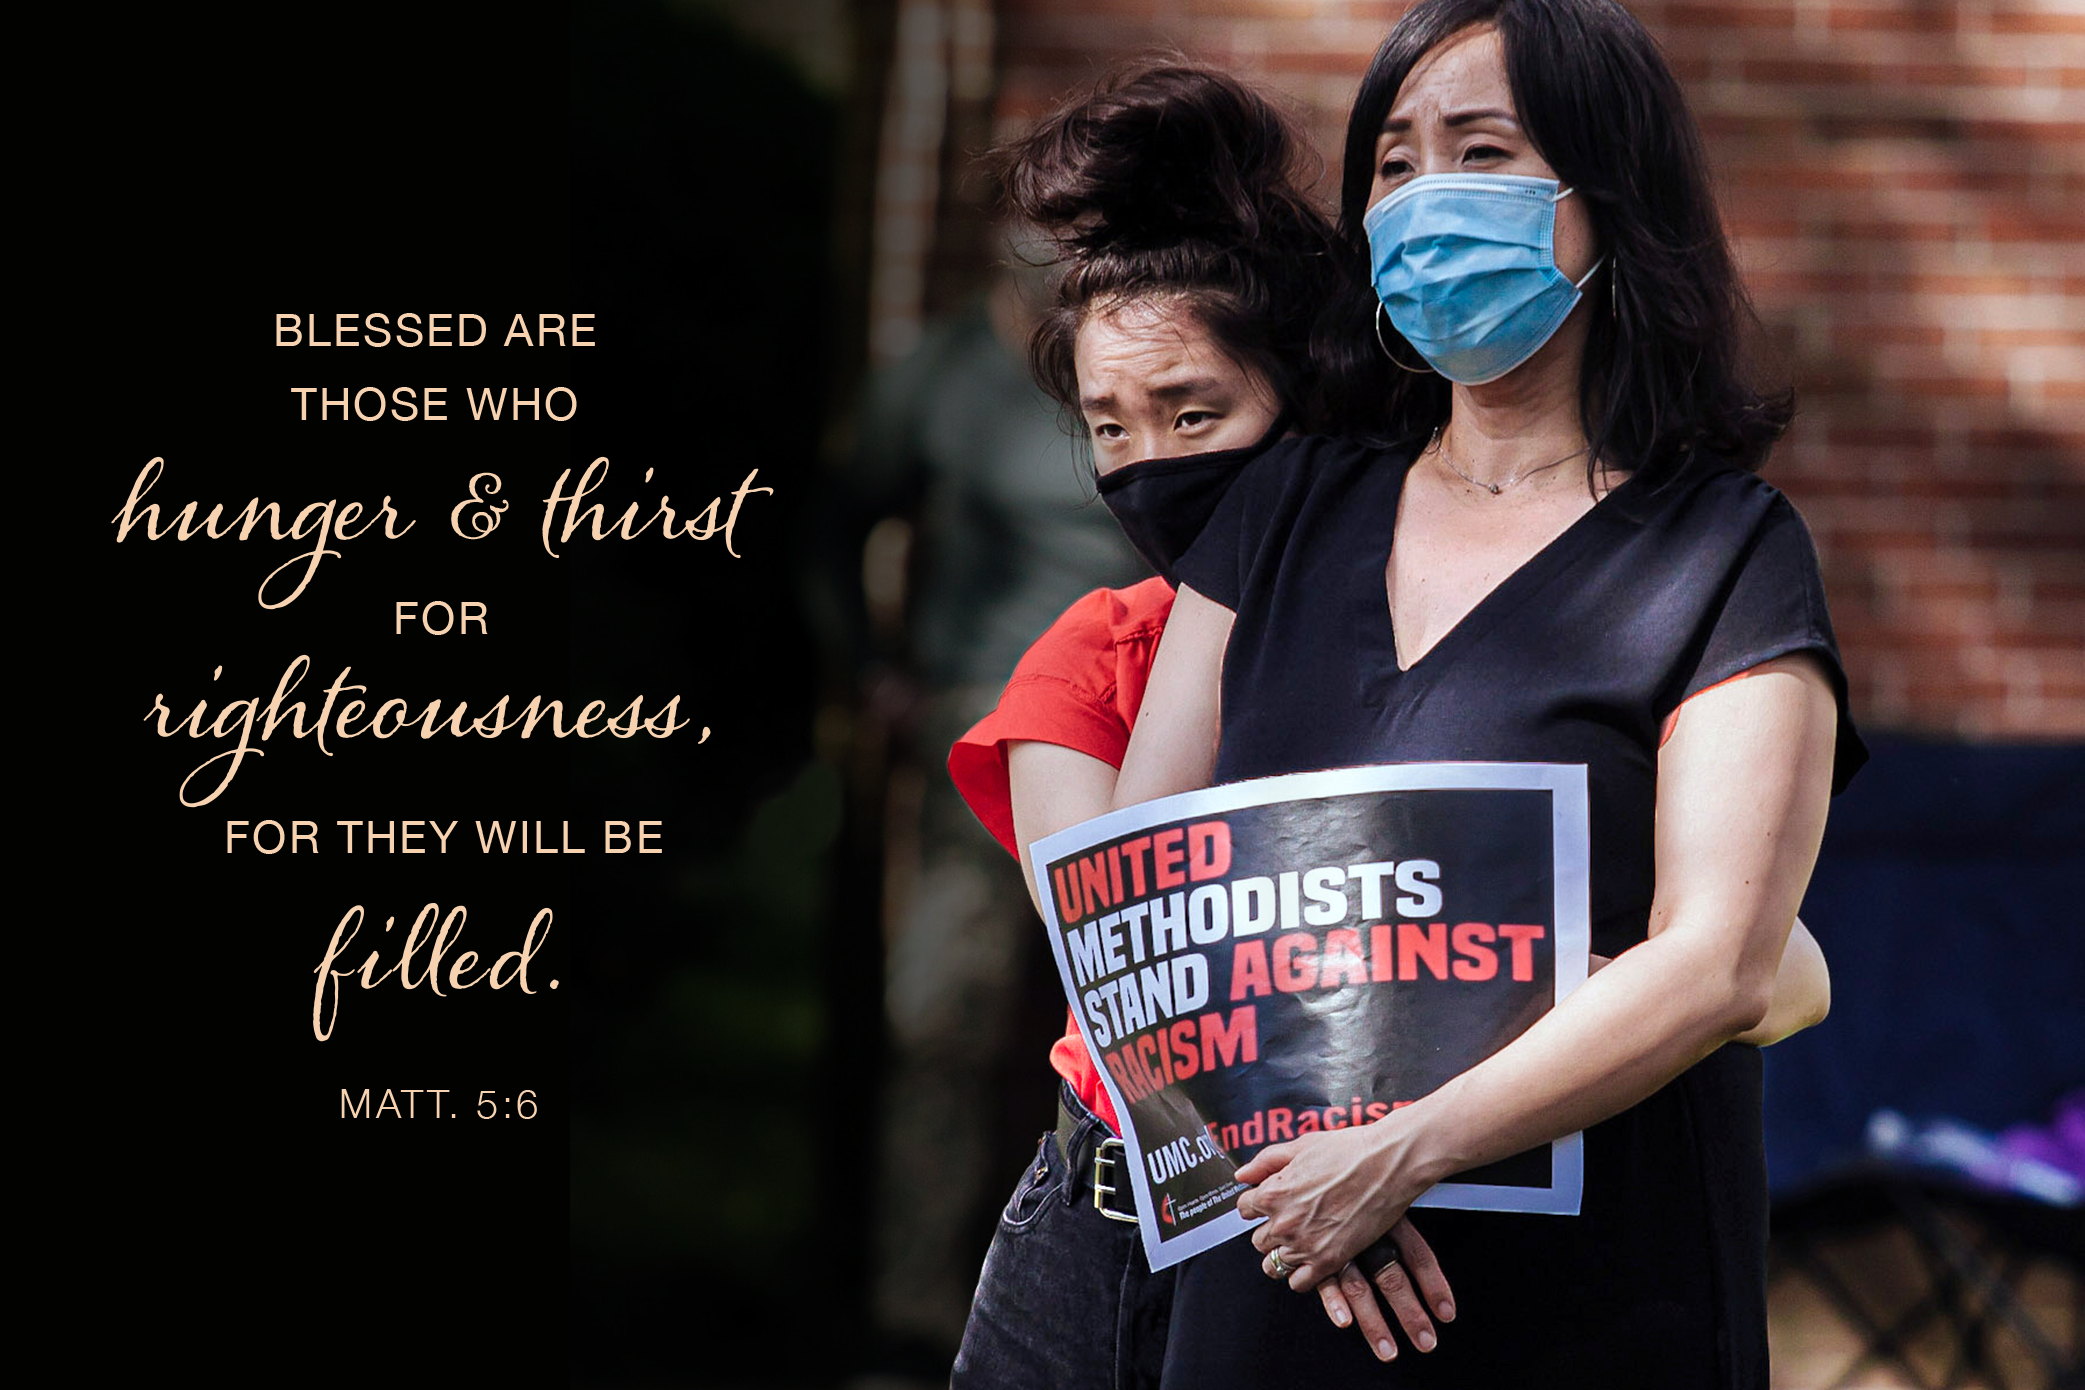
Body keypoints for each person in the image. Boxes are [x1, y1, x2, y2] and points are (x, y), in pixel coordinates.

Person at [952, 43, 1839, 1388]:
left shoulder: (1726, 552)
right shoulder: (1280, 514)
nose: (1432, 197)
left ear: (1608, 195)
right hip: (1273, 1267)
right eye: (1395, 162)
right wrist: (1306, 1177)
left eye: (1483, 153)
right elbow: (1146, 925)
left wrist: (1397, 1147)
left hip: (1590, 1300)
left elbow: (1737, 958)